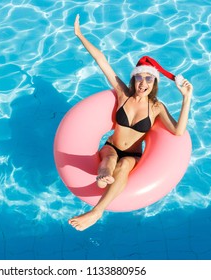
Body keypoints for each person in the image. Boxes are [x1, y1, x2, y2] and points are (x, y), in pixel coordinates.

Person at [68, 14, 193, 231]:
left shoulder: (156, 108)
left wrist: (187, 97)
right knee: (108, 160)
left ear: (154, 82)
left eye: (148, 78)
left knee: (124, 165)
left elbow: (178, 131)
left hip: (134, 155)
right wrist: (80, 35)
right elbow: (102, 61)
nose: (143, 83)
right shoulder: (122, 94)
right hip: (111, 147)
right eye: (139, 77)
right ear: (133, 78)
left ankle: (96, 212)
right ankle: (104, 175)